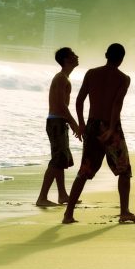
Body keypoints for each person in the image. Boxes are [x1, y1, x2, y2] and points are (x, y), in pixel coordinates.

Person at [62, 44, 135, 224]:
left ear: (106, 55)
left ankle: (68, 214)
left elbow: (79, 100)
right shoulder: (123, 78)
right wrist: (112, 129)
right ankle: (124, 212)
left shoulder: (91, 73)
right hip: (111, 127)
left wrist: (82, 124)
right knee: (124, 170)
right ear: (122, 59)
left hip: (92, 126)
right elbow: (116, 105)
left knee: (84, 170)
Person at [35, 47, 82, 207]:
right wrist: (74, 123)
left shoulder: (63, 77)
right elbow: (61, 105)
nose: (77, 56)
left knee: (60, 159)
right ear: (66, 60)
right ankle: (42, 197)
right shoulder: (61, 78)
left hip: (58, 122)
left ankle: (62, 195)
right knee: (57, 159)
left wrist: (69, 122)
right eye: (73, 55)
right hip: (56, 122)